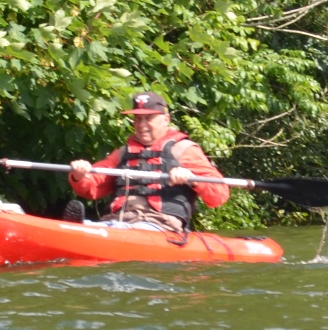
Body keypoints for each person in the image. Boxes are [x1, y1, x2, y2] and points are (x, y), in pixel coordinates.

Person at [66, 91, 230, 234]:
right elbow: (93, 185)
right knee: (89, 225)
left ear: (166, 119)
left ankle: (86, 232)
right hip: (118, 222)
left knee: (116, 229)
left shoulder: (184, 150)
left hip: (161, 226)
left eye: (149, 118)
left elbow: (219, 195)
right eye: (138, 119)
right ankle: (78, 230)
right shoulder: (124, 152)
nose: (141, 125)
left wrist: (191, 177)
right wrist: (80, 176)